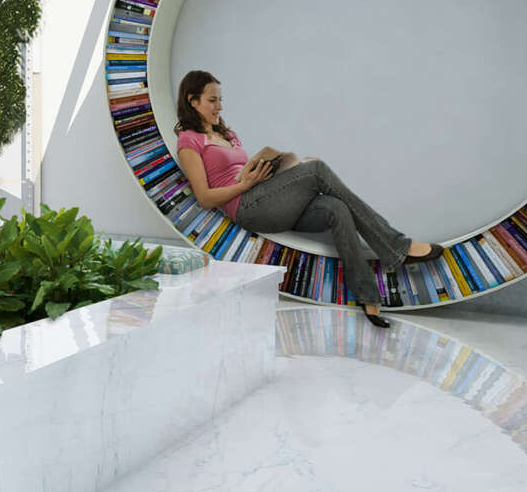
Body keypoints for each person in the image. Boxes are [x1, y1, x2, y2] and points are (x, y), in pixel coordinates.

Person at [170, 69, 443, 327]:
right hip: (248, 207)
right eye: (212, 100)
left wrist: (274, 170)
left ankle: (367, 296)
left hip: (264, 196)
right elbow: (205, 198)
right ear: (193, 101)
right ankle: (396, 247)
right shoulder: (189, 141)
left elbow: (242, 172)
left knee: (336, 207)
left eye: (221, 100)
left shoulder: (228, 134)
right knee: (317, 169)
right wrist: (246, 185)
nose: (219, 107)